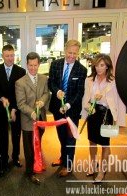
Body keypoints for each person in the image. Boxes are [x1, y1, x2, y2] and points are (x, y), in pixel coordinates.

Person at [81, 53, 126, 183]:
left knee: (105, 144)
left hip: (107, 114)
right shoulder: (89, 80)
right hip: (93, 113)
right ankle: (93, 164)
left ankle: (102, 170)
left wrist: (119, 120)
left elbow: (117, 101)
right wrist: (88, 106)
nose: (99, 68)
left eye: (102, 65)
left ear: (107, 66)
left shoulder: (113, 81)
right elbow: (86, 97)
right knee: (92, 141)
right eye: (97, 65)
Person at [48, 40, 87, 177]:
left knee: (70, 138)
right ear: (65, 50)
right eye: (70, 52)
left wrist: (68, 104)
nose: (71, 56)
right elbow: (51, 82)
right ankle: (63, 157)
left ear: (78, 53)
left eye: (74, 54)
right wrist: (57, 91)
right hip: (57, 108)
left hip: (72, 110)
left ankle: (68, 165)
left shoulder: (82, 70)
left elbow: (79, 92)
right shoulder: (55, 64)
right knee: (61, 135)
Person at [15, 52, 50, 185]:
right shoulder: (20, 82)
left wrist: (42, 101)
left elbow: (46, 93)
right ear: (26, 64)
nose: (33, 68)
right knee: (29, 149)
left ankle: (37, 164)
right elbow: (21, 104)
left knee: (38, 145)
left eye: (35, 65)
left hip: (41, 119)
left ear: (39, 64)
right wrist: (31, 112)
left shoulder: (43, 79)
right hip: (28, 121)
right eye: (30, 65)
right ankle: (30, 172)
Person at [0, 44, 26, 173]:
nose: (10, 58)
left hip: (15, 109)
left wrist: (14, 109)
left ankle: (15, 157)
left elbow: (21, 93)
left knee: (16, 135)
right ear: (2, 56)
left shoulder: (21, 71)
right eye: (7, 56)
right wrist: (1, 98)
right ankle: (4, 158)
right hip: (0, 109)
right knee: (3, 135)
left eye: (12, 55)